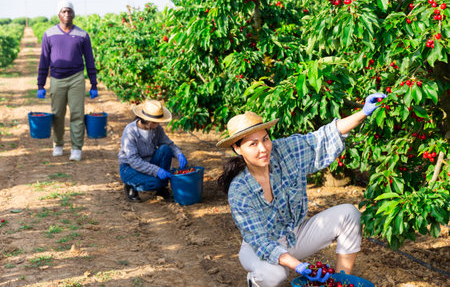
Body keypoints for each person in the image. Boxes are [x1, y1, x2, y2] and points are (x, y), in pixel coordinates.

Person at [216, 93, 386, 287]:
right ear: (238, 149)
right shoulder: (239, 190)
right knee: (273, 274)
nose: (263, 149)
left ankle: (340, 282)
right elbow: (261, 241)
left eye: (265, 139)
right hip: (258, 248)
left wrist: (362, 113)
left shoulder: (284, 152)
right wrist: (301, 267)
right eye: (252, 144)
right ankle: (255, 282)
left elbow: (321, 138)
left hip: (294, 234)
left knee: (349, 214)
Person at [36, 0, 98, 161]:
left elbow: (89, 60)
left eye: (69, 11)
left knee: (77, 114)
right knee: (57, 114)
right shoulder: (49, 34)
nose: (67, 14)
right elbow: (44, 60)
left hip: (76, 78)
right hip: (56, 79)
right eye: (63, 11)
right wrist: (40, 84)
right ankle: (58, 144)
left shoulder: (82, 35)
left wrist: (93, 83)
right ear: (58, 14)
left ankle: (76, 148)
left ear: (73, 13)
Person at [118, 99, 188, 202]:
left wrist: (179, 154)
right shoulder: (130, 132)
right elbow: (134, 161)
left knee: (165, 149)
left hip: (149, 162)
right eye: (156, 123)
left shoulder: (156, 129)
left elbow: (168, 144)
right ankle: (131, 185)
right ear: (148, 121)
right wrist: (156, 170)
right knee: (155, 183)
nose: (158, 125)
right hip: (130, 167)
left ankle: (161, 189)